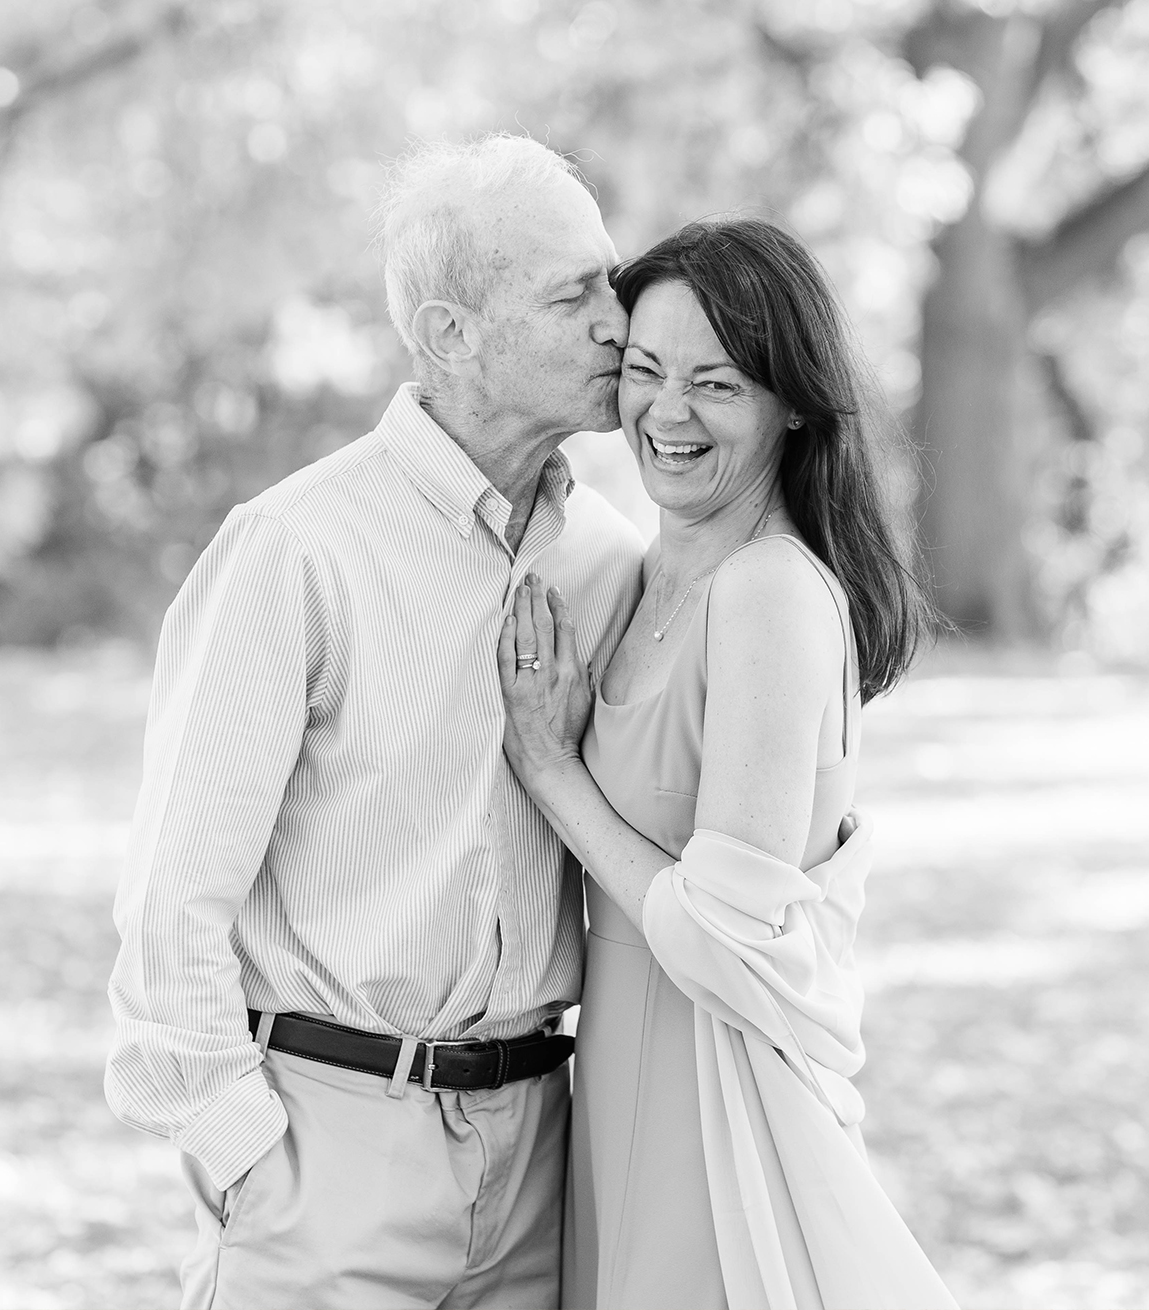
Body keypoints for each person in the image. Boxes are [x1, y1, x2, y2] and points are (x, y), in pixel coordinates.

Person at [103, 135, 644, 1309]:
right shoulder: (293, 546)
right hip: (326, 1152)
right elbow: (171, 898)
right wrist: (250, 1150)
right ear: (450, 334)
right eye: (573, 294)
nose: (620, 321)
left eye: (612, 280)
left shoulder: (611, 559)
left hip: (546, 1160)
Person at [498, 217, 958, 1309]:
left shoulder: (767, 591)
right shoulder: (648, 567)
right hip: (619, 1084)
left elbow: (719, 926)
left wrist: (549, 766)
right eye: (645, 371)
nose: (666, 412)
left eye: (714, 383)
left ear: (790, 399)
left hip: (717, 1103)